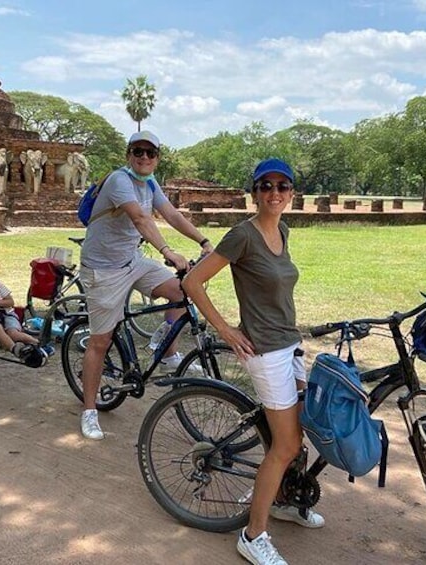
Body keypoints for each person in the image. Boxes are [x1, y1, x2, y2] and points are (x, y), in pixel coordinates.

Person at [181, 158, 323, 565]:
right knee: (286, 444)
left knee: (303, 428)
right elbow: (192, 282)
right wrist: (226, 330)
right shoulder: (242, 235)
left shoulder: (282, 229)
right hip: (265, 350)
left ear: (293, 193)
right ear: (254, 192)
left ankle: (282, 501)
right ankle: (252, 534)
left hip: (289, 342)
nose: (274, 194)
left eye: (283, 186)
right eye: (266, 186)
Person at [78, 131, 214, 440]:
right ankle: (89, 410)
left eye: (150, 153)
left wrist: (204, 241)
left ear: (157, 159)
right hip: (103, 270)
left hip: (132, 260)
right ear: (129, 155)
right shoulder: (118, 180)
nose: (144, 158)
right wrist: (168, 252)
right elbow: (140, 219)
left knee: (183, 291)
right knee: (100, 341)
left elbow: (172, 215)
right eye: (138, 152)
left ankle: (166, 352)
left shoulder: (150, 184)